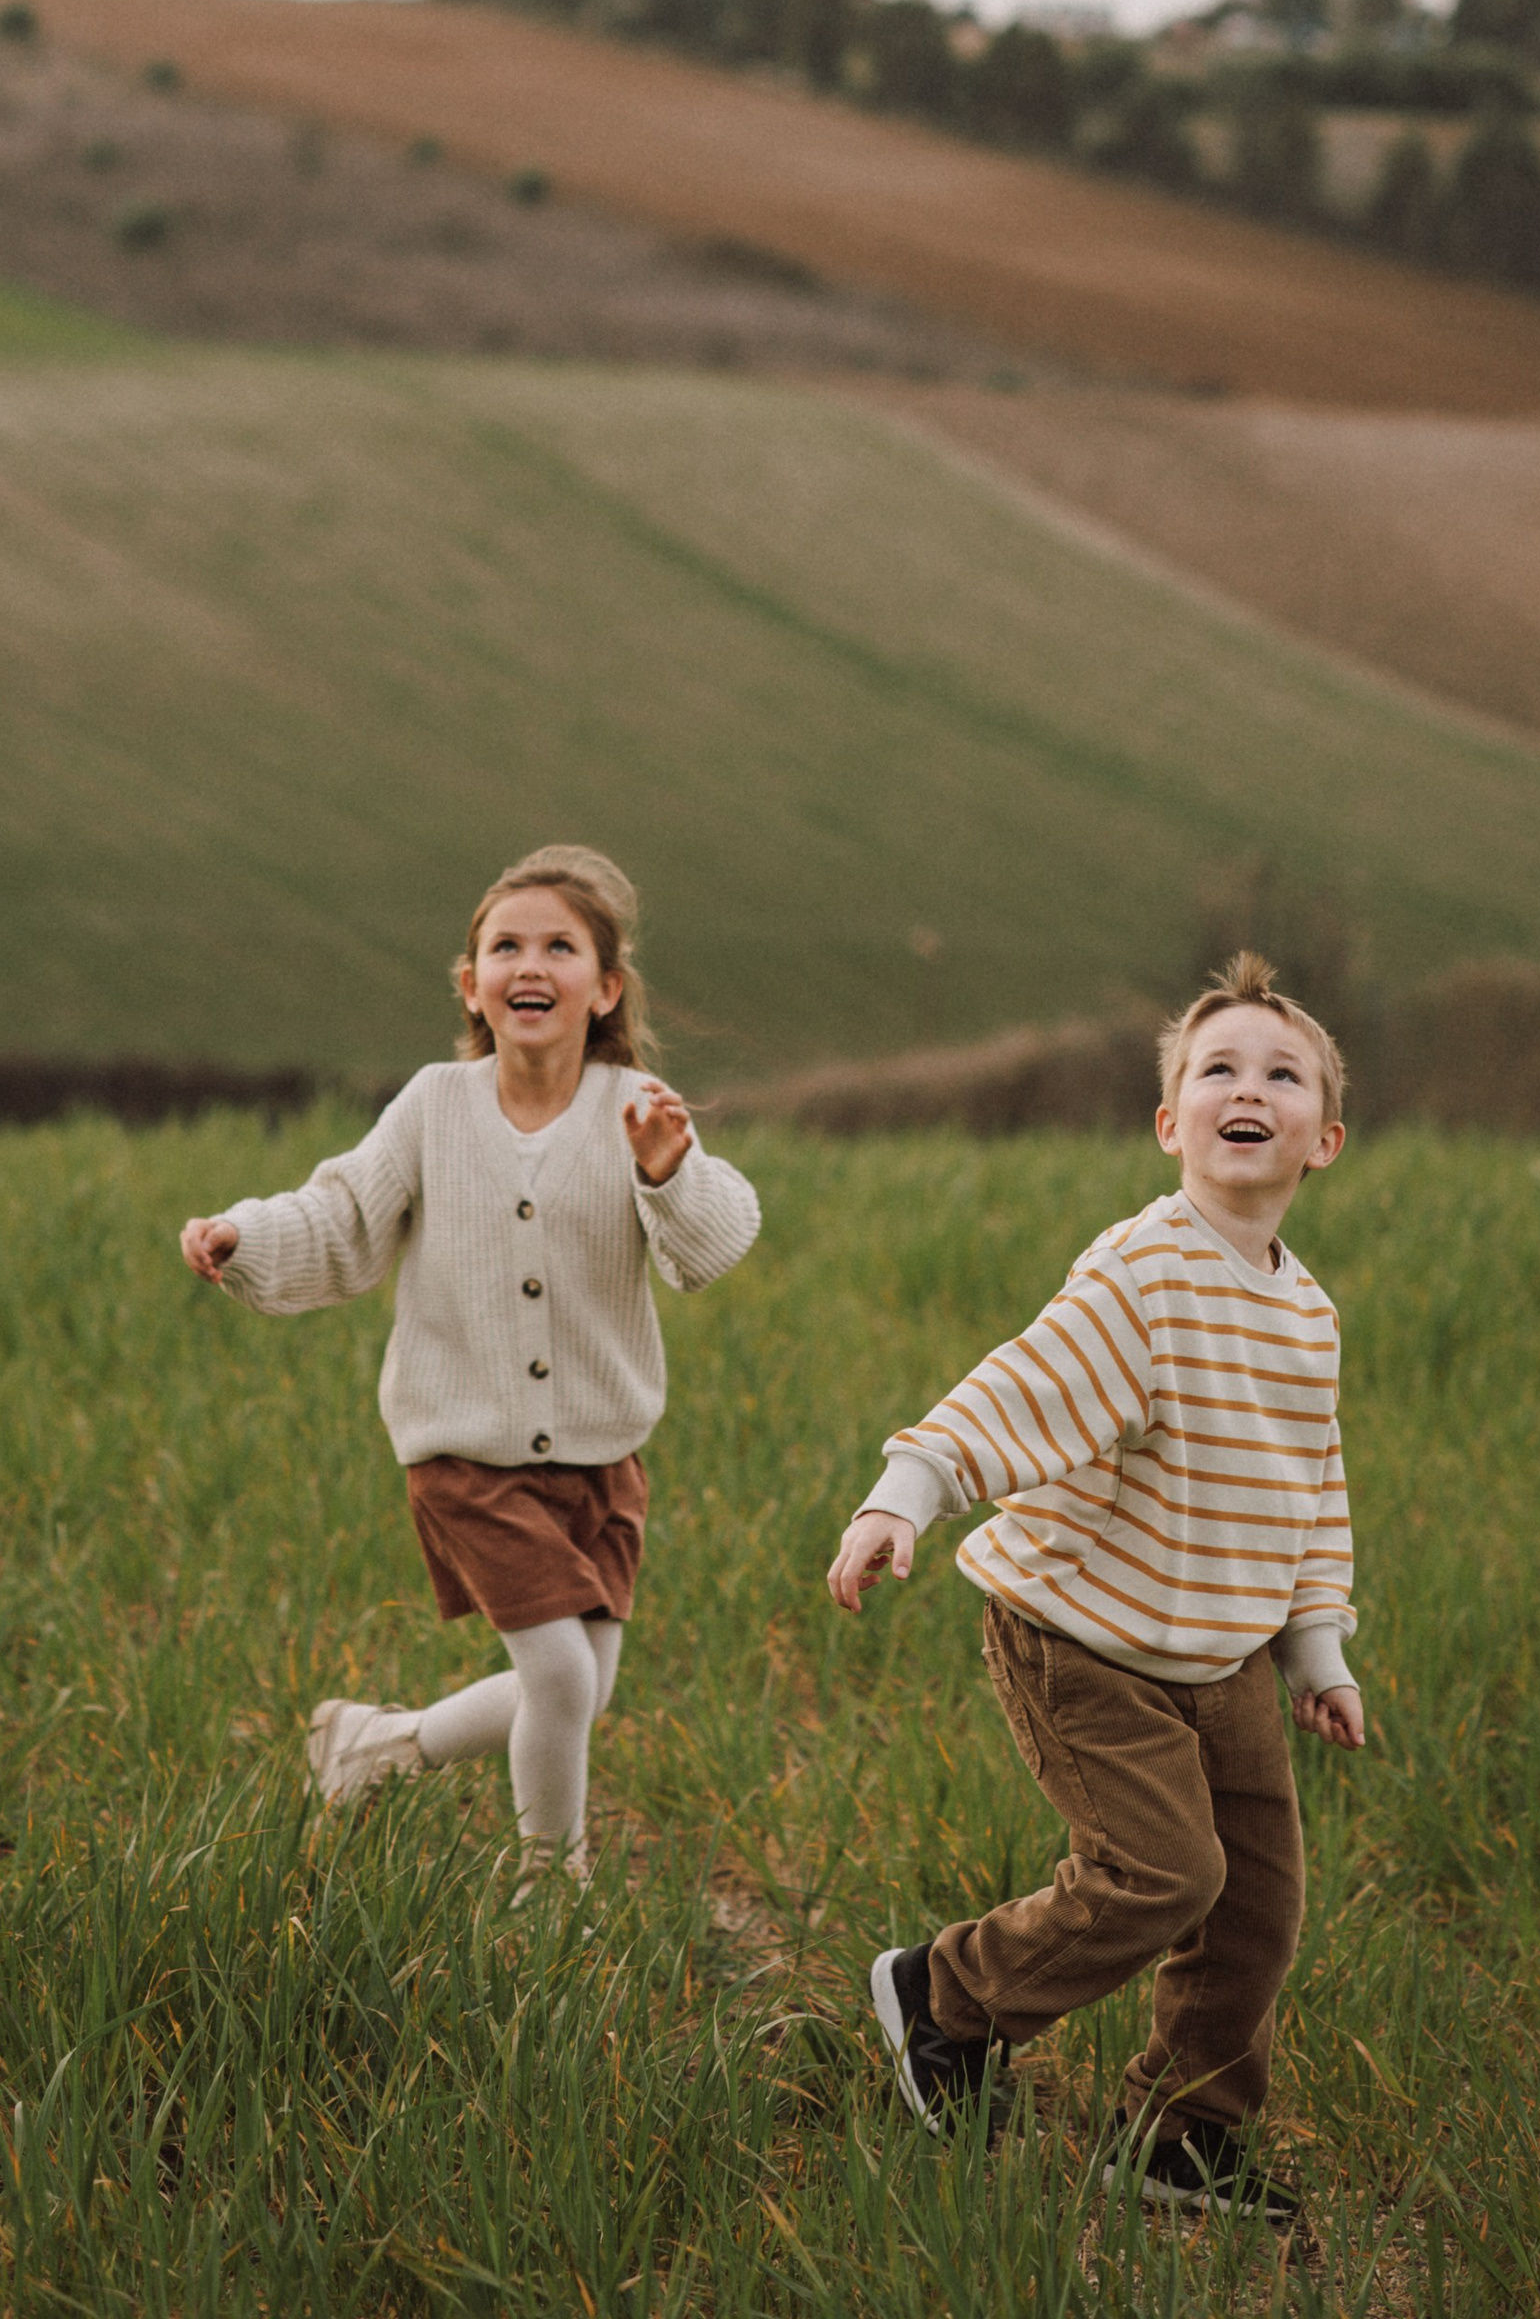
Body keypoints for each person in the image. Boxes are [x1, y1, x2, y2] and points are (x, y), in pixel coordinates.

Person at [827, 949, 1362, 2218]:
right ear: (1169, 1122)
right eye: (1216, 1068)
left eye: (1281, 1074)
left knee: (1257, 1904)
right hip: (1080, 1635)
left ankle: (1179, 2136)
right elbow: (1020, 1387)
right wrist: (907, 1488)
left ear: (1324, 1139)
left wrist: (1316, 1645)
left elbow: (1309, 1486)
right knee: (1161, 1870)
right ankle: (944, 1996)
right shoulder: (1143, 1272)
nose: (1248, 1088)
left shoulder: (1306, 1313)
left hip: (1221, 1650)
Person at [181, 843, 760, 1883]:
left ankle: (376, 1746)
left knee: (579, 1688)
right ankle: (551, 1886)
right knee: (560, 1678)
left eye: (559, 947)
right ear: (471, 984)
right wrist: (246, 1235)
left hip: (602, 1456)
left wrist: (668, 1171)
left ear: (605, 987)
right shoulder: (433, 1105)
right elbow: (342, 1215)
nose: (529, 963)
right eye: (506, 946)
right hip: (464, 1453)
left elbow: (707, 1250)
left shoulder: (637, 1106)